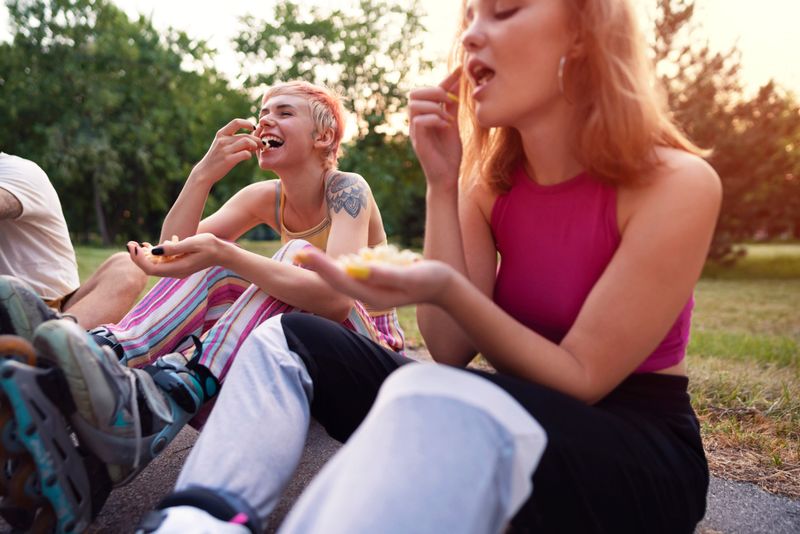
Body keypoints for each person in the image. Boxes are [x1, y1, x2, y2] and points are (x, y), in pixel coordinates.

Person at [118, 0, 721, 532]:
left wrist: (442, 287)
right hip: (512, 410)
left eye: (504, 11)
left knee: (433, 399)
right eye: (470, 20)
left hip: (637, 450)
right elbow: (451, 346)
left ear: (583, 35)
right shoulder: (486, 187)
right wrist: (442, 180)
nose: (472, 36)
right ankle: (197, 520)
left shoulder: (677, 183)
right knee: (289, 337)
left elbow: (582, 377)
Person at [0, 81, 403, 533]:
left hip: (364, 353)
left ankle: (174, 390)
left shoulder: (348, 190)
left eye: (284, 112)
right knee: (213, 260)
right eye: (263, 110)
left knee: (272, 258)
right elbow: (173, 255)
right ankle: (108, 357)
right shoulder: (263, 197)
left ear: (324, 137)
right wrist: (202, 175)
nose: (266, 118)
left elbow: (335, 299)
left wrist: (224, 253)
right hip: (291, 362)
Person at [0, 152, 147, 332]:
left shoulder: (18, 171)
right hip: (6, 315)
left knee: (129, 266)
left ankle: (56, 339)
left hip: (59, 310)